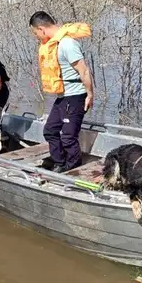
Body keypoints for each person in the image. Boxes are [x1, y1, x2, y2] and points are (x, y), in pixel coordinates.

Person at [29, 11, 93, 173]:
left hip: (75, 96)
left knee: (68, 136)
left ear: (41, 29)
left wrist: (90, 94)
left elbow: (84, 71)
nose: (36, 36)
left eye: (35, 32)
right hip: (63, 96)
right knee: (50, 130)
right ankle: (60, 162)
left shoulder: (67, 44)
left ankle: (73, 167)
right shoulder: (54, 44)